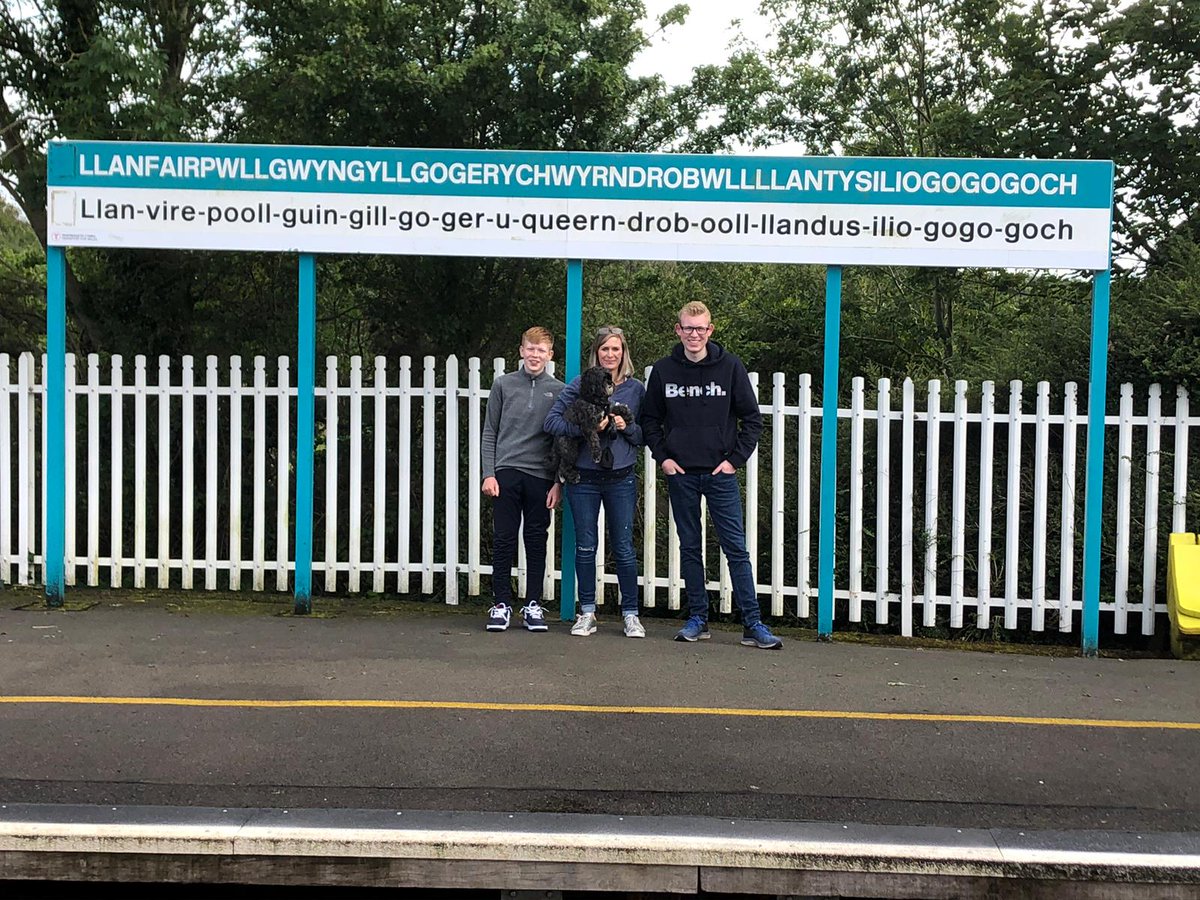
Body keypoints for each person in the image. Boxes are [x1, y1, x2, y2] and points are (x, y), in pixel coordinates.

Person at [641, 302, 782, 650]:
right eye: (688, 328)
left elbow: (753, 419)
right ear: (678, 330)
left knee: (736, 548)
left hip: (720, 475)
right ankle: (698, 619)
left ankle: (752, 624)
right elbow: (648, 421)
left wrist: (734, 460)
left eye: (700, 328)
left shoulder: (731, 367)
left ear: (710, 330)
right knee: (690, 548)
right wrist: (664, 458)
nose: (694, 334)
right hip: (682, 474)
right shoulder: (663, 371)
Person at [544, 326, 646, 638]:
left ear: (623, 353)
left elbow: (644, 435)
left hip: (621, 479)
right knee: (586, 546)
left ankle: (631, 614)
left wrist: (624, 426)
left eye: (616, 349)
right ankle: (586, 611)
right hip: (584, 479)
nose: (610, 355)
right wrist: (588, 427)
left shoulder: (636, 390)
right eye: (605, 349)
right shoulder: (580, 385)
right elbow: (552, 422)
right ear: (596, 353)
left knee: (624, 547)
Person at [481, 326, 564, 633]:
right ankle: (501, 603)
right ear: (521, 350)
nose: (534, 355)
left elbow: (561, 441)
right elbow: (490, 431)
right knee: (503, 538)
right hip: (506, 472)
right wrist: (488, 473)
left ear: (549, 355)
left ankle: (533, 605)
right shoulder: (503, 385)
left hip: (541, 476)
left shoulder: (558, 389)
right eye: (530, 349)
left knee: (536, 539)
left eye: (541, 350)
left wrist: (558, 482)